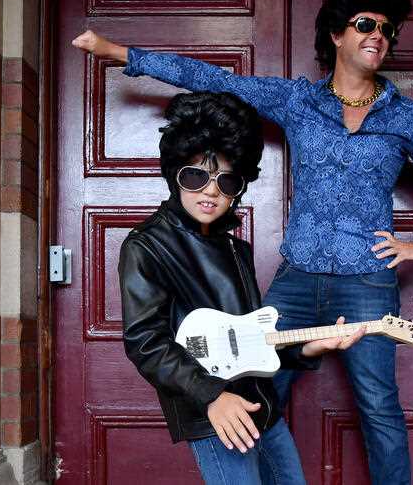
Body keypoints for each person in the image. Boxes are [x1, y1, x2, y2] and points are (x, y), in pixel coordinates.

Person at [79, 0, 413, 485]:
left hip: (368, 281)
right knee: (257, 383)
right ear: (337, 34)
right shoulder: (297, 101)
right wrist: (124, 54)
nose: (379, 34)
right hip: (298, 277)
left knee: (379, 406)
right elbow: (217, 80)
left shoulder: (409, 118)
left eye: (388, 29)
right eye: (365, 24)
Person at [117, 92, 365, 485]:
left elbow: (251, 338)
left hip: (262, 405)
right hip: (214, 412)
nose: (211, 191)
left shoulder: (236, 249)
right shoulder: (146, 245)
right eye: (196, 175)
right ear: (174, 174)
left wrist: (307, 349)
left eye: (226, 180)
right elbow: (145, 341)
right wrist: (212, 396)